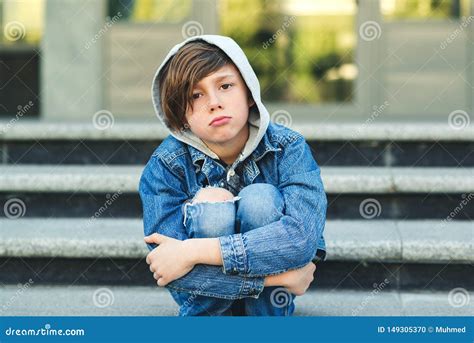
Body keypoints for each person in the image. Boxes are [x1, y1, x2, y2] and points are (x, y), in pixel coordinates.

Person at [139, 35, 327, 316]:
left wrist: (193, 252)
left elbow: (301, 241)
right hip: (202, 306)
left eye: (226, 86)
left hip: (269, 308)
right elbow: (169, 269)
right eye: (195, 95)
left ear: (249, 93)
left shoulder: (289, 148)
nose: (214, 103)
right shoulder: (165, 165)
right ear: (181, 115)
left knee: (260, 198)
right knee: (211, 202)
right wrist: (277, 279)